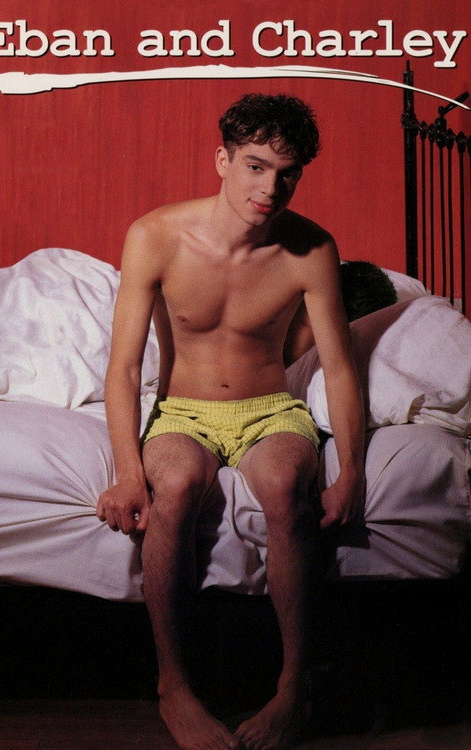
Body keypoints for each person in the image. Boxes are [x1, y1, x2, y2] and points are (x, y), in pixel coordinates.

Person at [96, 93, 365, 750]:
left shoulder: (311, 249)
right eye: (255, 166)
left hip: (269, 410)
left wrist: (351, 473)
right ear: (223, 160)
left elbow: (338, 369)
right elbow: (124, 368)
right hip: (182, 411)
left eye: (286, 173)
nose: (269, 188)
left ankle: (294, 687)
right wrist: (128, 472)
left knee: (285, 486)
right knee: (175, 485)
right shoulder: (155, 236)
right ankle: (174, 686)